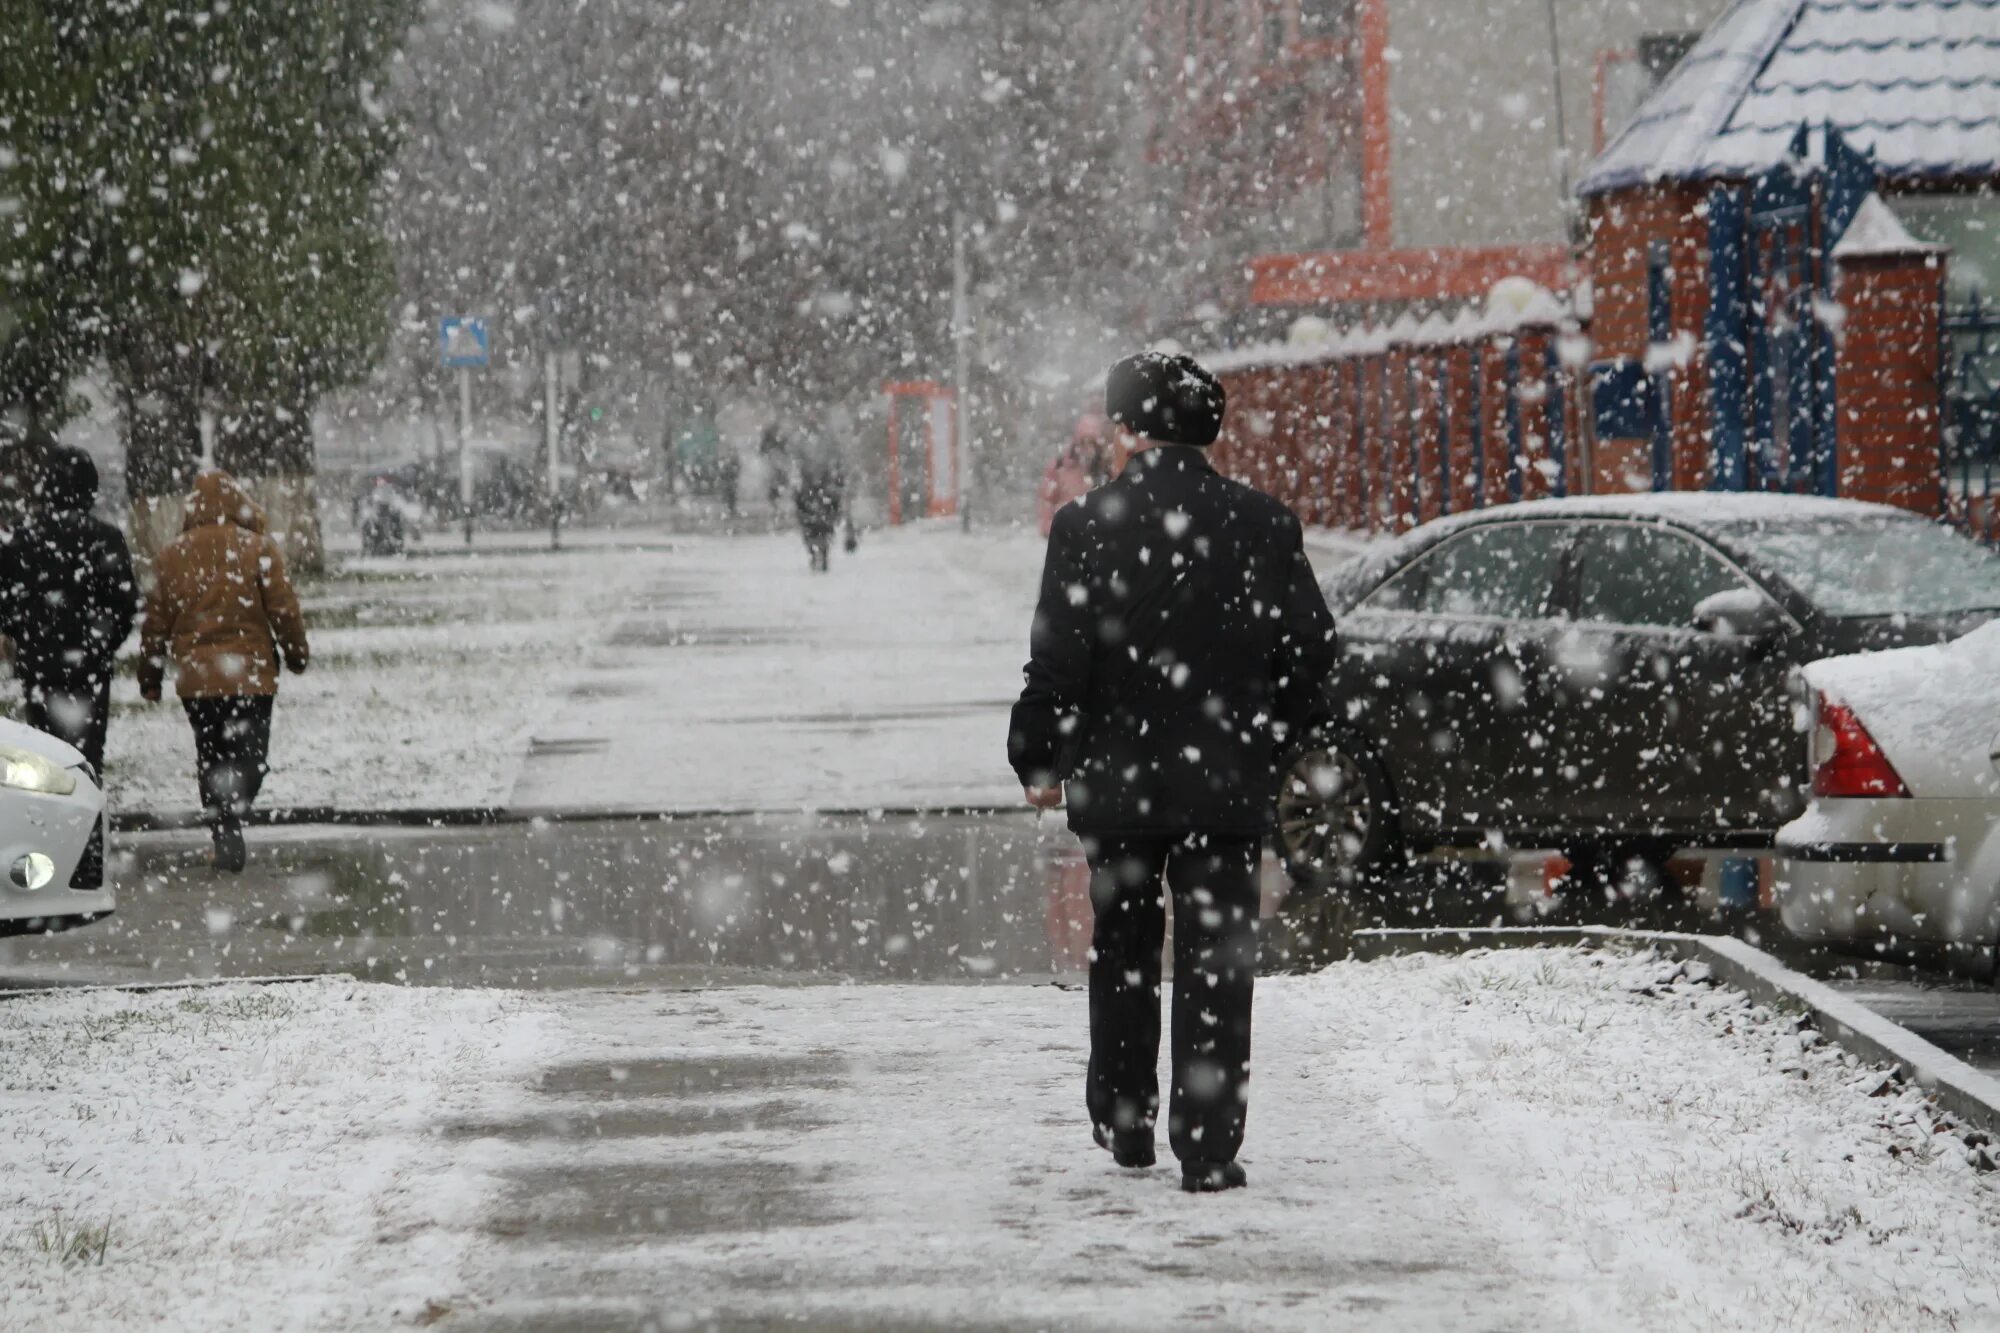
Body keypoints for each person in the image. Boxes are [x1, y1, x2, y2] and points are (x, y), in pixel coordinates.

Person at [1008, 351, 1338, 1194]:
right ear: (1207, 428)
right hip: (1224, 782)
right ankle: (1209, 1143)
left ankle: (1126, 1120)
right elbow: (1313, 652)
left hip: (1118, 787)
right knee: (1217, 956)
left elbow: (1057, 658)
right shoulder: (1264, 524)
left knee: (1121, 946)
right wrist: (1272, 735)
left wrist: (1040, 755)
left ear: (1126, 427)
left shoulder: (1087, 525)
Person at [138, 470, 309, 873]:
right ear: (238, 504)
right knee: (253, 757)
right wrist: (296, 652)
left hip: (197, 681)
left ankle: (224, 827)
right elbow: (283, 610)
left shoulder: (170, 555)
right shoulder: (257, 550)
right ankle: (233, 812)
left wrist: (149, 674)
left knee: (211, 755)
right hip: (251, 676)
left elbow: (156, 624)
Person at [0, 443, 138, 891]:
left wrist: (29, 638)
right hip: (87, 669)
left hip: (41, 668)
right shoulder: (105, 538)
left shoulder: (22, 540)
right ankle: (87, 858)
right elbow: (123, 604)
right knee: (86, 760)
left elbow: (6, 604)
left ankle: (45, 856)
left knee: (41, 765)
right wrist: (100, 647)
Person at [794, 445, 847, 573]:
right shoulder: (808, 484)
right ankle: (817, 554)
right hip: (816, 509)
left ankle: (821, 554)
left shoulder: (825, 481)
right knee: (815, 533)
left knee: (821, 533)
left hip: (821, 510)